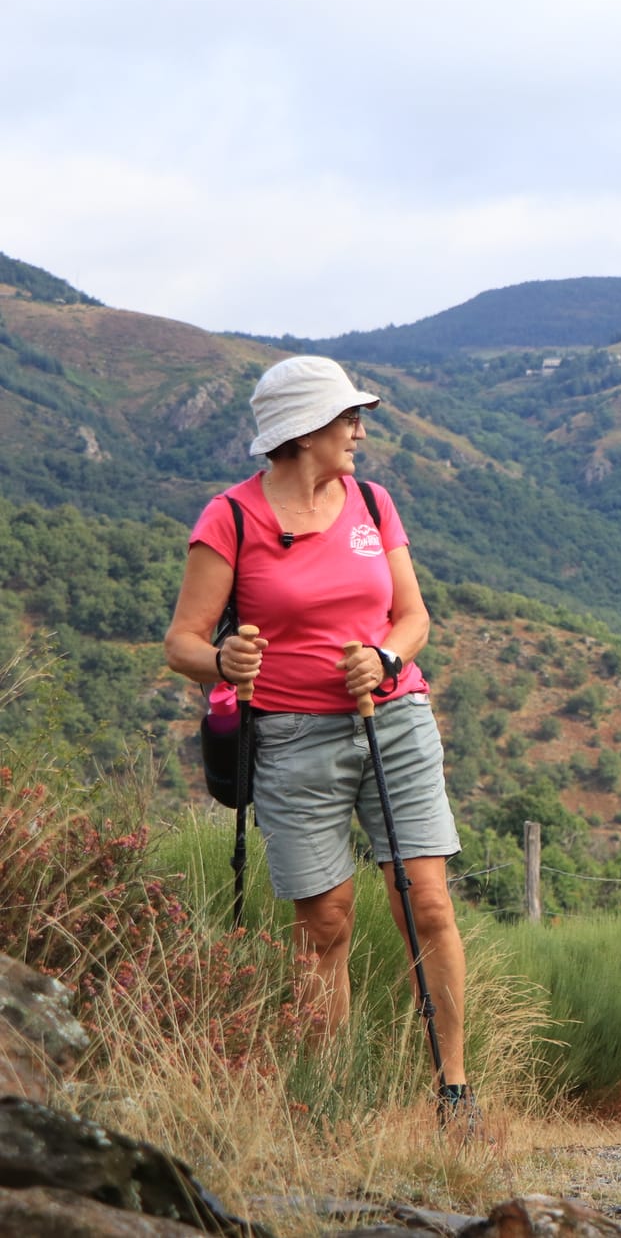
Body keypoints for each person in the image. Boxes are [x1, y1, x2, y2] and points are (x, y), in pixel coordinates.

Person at [164, 355, 478, 1129]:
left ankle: (454, 1093)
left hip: (393, 718)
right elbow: (183, 642)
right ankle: (326, 1103)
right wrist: (223, 659)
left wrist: (387, 658)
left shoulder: (373, 502)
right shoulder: (231, 519)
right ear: (304, 432)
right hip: (291, 736)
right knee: (326, 920)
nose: (359, 434)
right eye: (347, 420)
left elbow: (413, 616)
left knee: (427, 904)